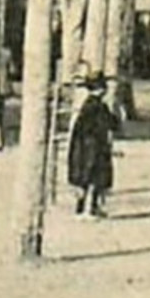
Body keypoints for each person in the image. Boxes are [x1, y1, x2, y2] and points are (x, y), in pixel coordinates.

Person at [67, 73, 117, 218]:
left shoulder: (86, 106)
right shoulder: (99, 107)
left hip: (82, 146)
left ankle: (80, 208)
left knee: (84, 178)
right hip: (95, 147)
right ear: (102, 89)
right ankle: (91, 208)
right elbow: (110, 124)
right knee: (96, 178)